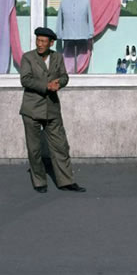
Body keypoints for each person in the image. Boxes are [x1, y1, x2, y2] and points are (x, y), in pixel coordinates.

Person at [19, 27, 85, 194]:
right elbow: (25, 79)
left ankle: (66, 181)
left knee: (61, 146)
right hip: (32, 109)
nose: (39, 44)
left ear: (51, 43)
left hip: (52, 109)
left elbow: (64, 76)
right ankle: (39, 181)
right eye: (38, 40)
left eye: (43, 41)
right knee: (34, 149)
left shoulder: (57, 57)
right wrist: (46, 86)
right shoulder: (28, 57)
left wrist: (59, 83)